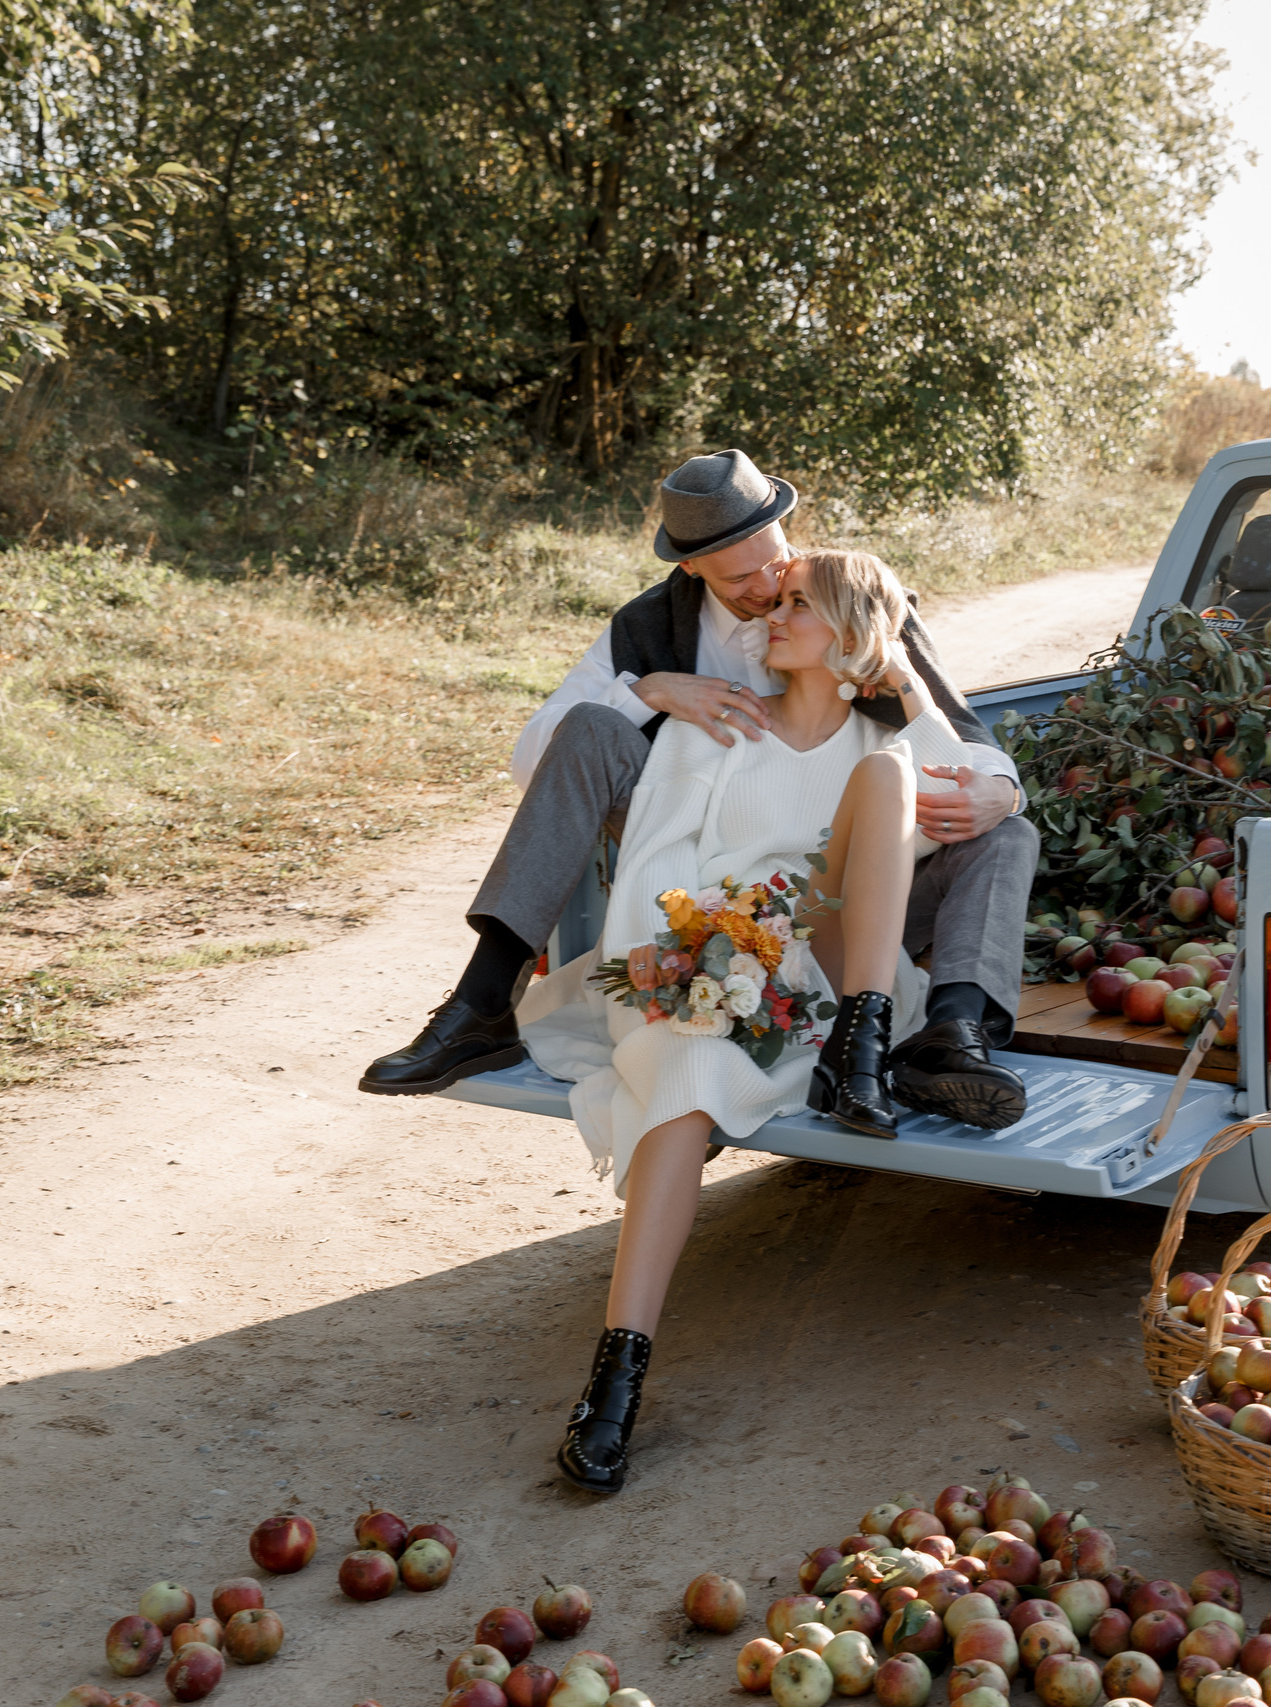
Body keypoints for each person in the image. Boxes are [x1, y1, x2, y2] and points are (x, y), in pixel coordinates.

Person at [359, 448, 1037, 1128]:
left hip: (847, 886)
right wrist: (648, 691)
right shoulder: (647, 627)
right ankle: (481, 1004)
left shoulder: (846, 596)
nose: (770, 589)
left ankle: (950, 1040)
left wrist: (1000, 793)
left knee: (1008, 831)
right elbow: (535, 756)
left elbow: (968, 738)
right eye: (743, 578)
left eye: (775, 562)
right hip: (709, 867)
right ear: (690, 566)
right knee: (593, 725)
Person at [513, 548, 975, 1492]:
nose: (772, 614)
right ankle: (617, 1377)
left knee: (892, 778)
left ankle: (864, 1044)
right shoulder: (719, 728)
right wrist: (711, 955)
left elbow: (967, 779)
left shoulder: (877, 744)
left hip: (833, 968)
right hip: (716, 963)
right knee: (685, 1079)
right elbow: (649, 871)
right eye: (777, 601)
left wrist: (909, 696)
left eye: (798, 604)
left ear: (849, 632)